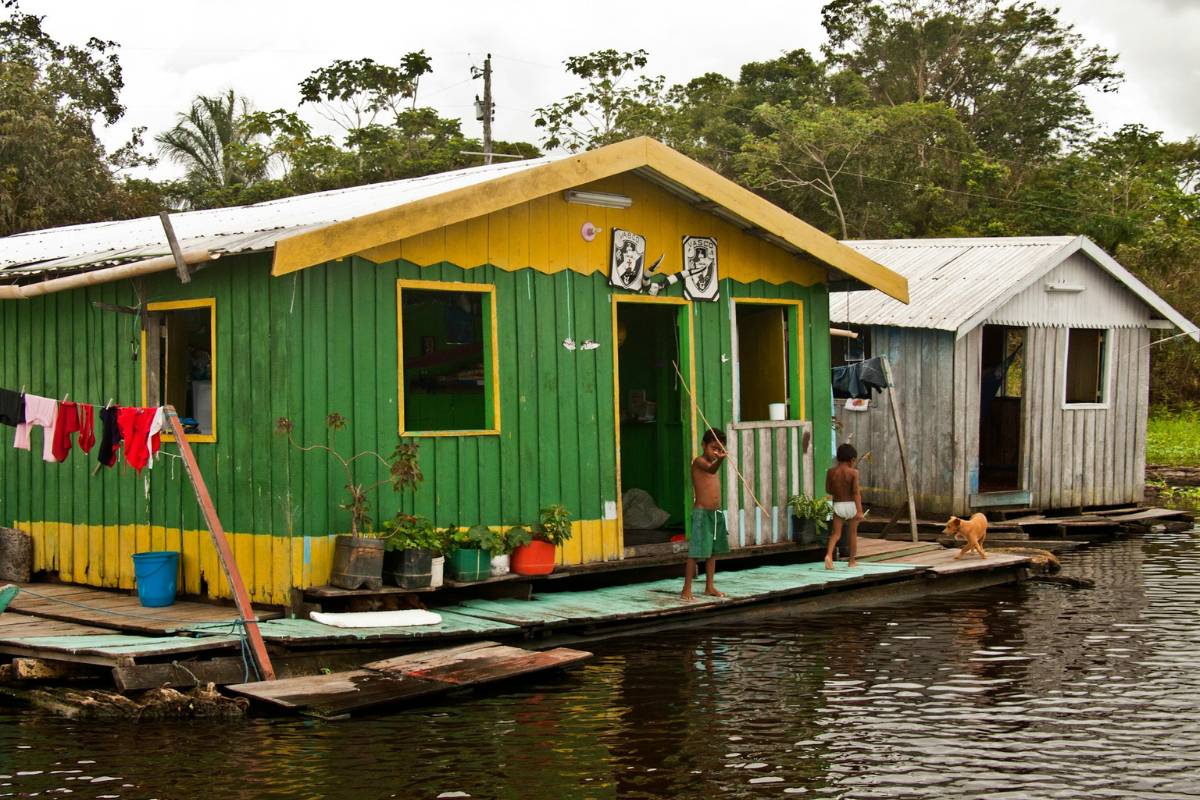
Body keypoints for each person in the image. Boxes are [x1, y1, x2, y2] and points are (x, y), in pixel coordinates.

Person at [683, 427, 729, 601]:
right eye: (713, 448)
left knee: (713, 552)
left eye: (720, 448)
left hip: (715, 513)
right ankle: (686, 589)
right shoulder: (699, 461)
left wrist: (720, 458)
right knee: (695, 552)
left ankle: (709, 586)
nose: (716, 452)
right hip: (702, 513)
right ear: (703, 445)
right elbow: (711, 470)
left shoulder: (715, 461)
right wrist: (721, 459)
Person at [824, 443, 862, 570]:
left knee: (836, 534)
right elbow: (856, 493)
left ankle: (829, 555)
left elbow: (828, 490)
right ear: (851, 460)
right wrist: (860, 511)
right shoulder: (854, 473)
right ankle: (851, 561)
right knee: (852, 534)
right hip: (851, 505)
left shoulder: (830, 472)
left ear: (838, 458)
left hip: (838, 505)